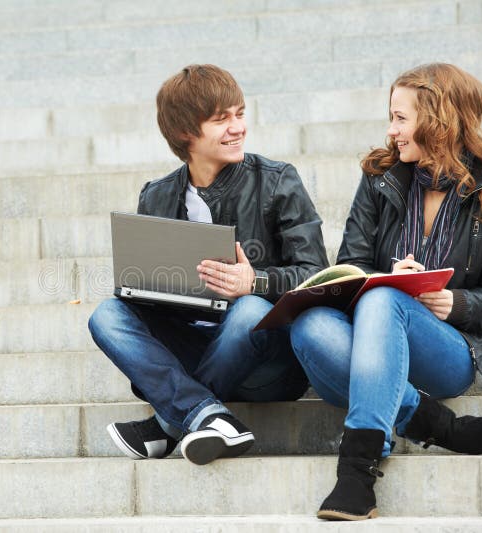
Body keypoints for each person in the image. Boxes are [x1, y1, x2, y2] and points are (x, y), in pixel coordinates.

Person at [289, 63, 482, 520]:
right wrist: (386, 273)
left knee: (384, 299)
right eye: (392, 117)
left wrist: (453, 302)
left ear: (439, 121)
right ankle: (444, 427)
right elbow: (351, 266)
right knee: (309, 325)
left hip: (448, 348)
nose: (391, 130)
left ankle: (357, 470)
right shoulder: (380, 179)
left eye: (401, 118)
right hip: (370, 340)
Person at [88, 64, 328, 465]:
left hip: (262, 358)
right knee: (106, 315)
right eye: (222, 120)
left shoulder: (276, 180)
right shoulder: (157, 197)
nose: (238, 128)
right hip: (194, 344)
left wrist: (256, 282)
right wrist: (140, 292)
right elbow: (149, 300)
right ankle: (207, 414)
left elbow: (317, 275)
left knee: (249, 309)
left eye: (240, 114)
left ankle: (169, 422)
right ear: (186, 133)